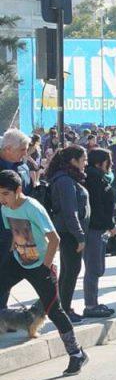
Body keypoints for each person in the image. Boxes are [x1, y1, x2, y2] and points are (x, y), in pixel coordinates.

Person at [0, 170, 89, 375]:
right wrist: (16, 246)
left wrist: (46, 265)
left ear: (18, 190)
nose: (2, 199)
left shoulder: (33, 208)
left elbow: (54, 239)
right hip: (18, 261)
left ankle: (76, 354)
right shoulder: (5, 209)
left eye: (5, 194)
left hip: (41, 265)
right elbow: (14, 230)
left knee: (54, 311)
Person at [47, 145, 91, 323]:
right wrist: (79, 236)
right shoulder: (65, 181)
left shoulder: (68, 178)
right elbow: (69, 211)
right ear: (73, 161)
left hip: (69, 231)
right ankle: (64, 310)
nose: (85, 163)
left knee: (68, 270)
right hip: (69, 233)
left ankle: (64, 308)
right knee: (71, 270)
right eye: (83, 159)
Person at [0, 129, 33, 311]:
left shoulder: (22, 167)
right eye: (22, 149)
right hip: (2, 227)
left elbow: (28, 194)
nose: (25, 153)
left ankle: (3, 312)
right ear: (8, 149)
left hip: (21, 227)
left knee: (12, 270)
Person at [82, 148, 116, 318]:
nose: (110, 165)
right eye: (108, 162)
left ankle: (93, 302)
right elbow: (97, 206)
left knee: (96, 267)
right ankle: (90, 304)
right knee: (93, 267)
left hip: (98, 228)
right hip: (94, 228)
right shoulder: (93, 178)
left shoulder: (97, 177)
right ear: (100, 163)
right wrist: (110, 225)